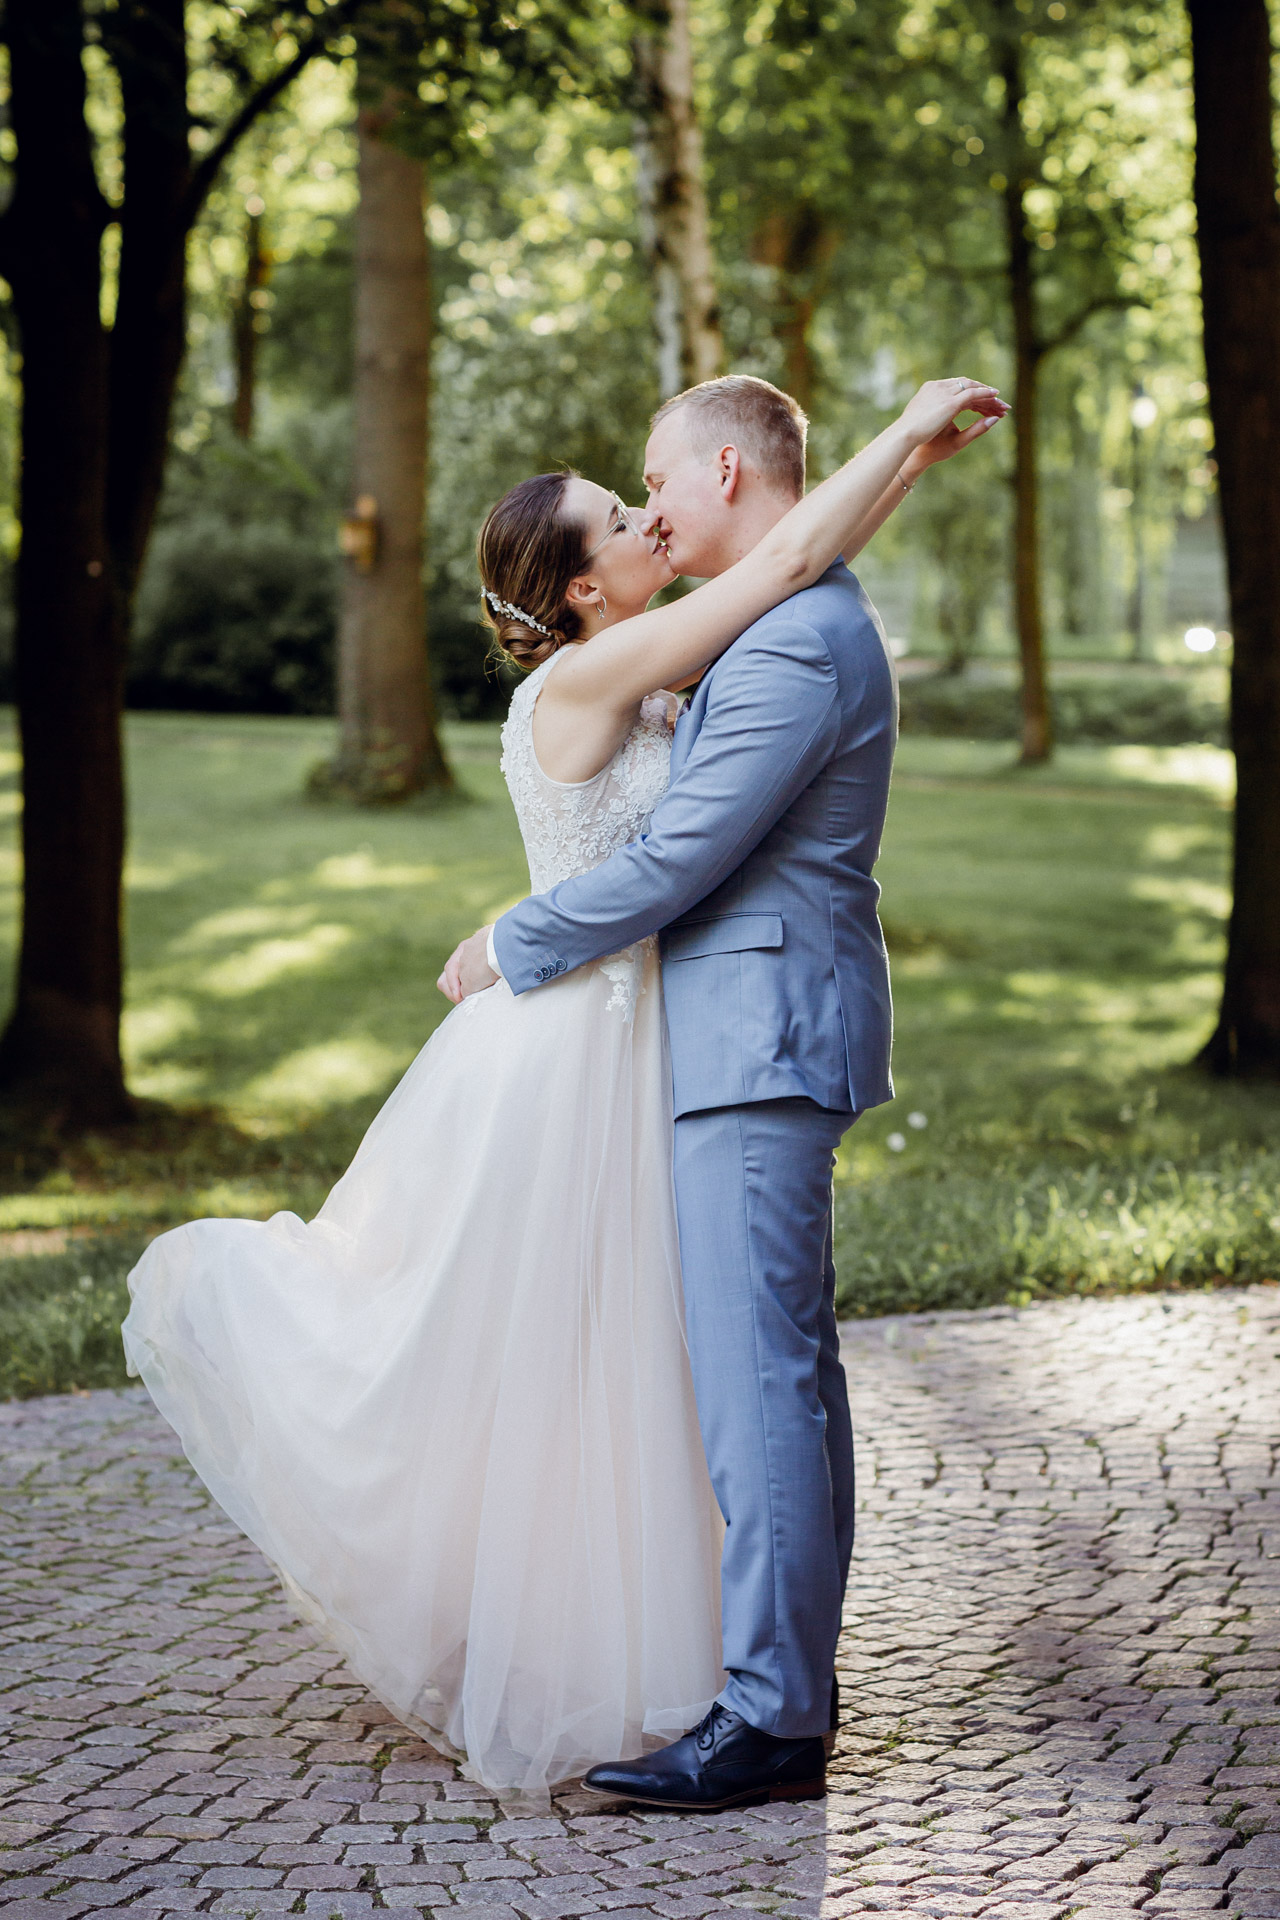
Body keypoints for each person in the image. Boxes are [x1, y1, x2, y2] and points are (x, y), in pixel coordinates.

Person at [123, 371, 1005, 1807]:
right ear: (585, 588)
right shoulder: (634, 662)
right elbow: (785, 559)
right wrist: (903, 449)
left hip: (716, 1032)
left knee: (746, 1376)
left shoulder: (768, 634)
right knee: (667, 1364)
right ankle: (739, 1682)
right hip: (624, 1038)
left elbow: (771, 612)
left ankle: (774, 1708)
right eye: (622, 509)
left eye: (652, 483)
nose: (648, 510)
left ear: (726, 474)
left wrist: (907, 450)